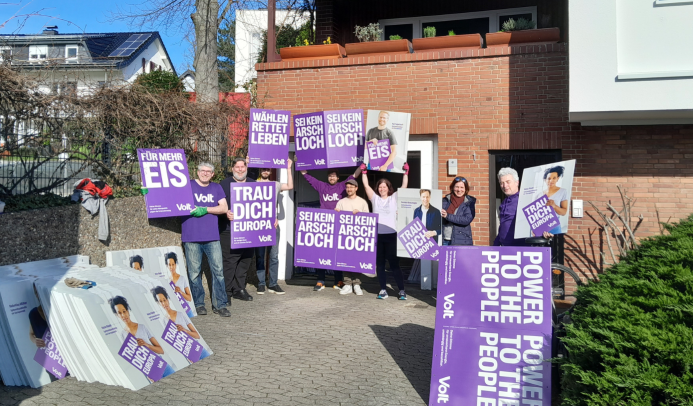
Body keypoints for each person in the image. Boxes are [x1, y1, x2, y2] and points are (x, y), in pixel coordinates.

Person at [300, 166, 363, 291]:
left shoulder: (342, 186)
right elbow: (307, 176)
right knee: (322, 253)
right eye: (330, 176)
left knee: (338, 254)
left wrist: (362, 166)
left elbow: (354, 175)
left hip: (339, 225)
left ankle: (338, 281)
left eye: (334, 176)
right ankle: (320, 281)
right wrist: (300, 164)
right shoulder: (321, 186)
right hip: (324, 225)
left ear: (338, 178)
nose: (332, 177)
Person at [180, 162, 230, 317]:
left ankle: (220, 304)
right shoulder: (186, 186)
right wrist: (147, 191)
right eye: (203, 170)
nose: (205, 173)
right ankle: (198, 304)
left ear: (213, 174)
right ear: (197, 171)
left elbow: (224, 208)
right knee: (194, 273)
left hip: (212, 237)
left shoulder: (216, 188)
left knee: (219, 272)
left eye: (209, 171)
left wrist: (205, 209)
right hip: (191, 236)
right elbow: (168, 197)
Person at [360, 163, 409, 300]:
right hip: (378, 237)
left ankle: (401, 291)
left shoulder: (393, 199)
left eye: (384, 186)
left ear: (388, 188)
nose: (382, 188)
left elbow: (404, 187)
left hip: (392, 236)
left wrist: (405, 173)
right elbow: (366, 186)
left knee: (394, 265)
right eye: (380, 186)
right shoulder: (374, 199)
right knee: (380, 265)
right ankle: (383, 290)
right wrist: (364, 173)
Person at [109, 295, 175, 378]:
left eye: (124, 311)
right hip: (148, 370)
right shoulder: (123, 335)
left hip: (160, 363)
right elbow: (133, 358)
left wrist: (147, 345)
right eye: (119, 313)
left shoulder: (142, 327)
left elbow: (161, 350)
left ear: (128, 311)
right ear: (117, 315)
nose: (123, 315)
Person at [254, 159, 294, 295]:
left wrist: (288, 168)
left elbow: (290, 186)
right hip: (258, 225)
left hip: (273, 224)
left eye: (268, 170)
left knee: (274, 255)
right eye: (263, 169)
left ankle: (273, 284)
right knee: (260, 255)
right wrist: (248, 164)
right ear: (260, 171)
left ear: (271, 172)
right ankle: (260, 283)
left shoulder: (275, 184)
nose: (265, 171)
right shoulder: (253, 184)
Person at [219, 157, 256, 302]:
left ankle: (239, 289)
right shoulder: (224, 184)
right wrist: (225, 212)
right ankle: (226, 293)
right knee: (230, 262)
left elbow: (264, 204)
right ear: (233, 169)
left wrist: (272, 218)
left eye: (243, 166)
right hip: (229, 230)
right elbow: (218, 205)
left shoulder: (254, 184)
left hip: (250, 230)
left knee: (245, 260)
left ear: (246, 168)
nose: (240, 169)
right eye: (237, 167)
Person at [151, 287, 211, 360]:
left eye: (164, 300)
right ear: (158, 303)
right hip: (187, 354)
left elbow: (197, 335)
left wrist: (184, 330)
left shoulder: (180, 314)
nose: (164, 303)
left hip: (197, 348)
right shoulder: (164, 321)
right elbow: (174, 342)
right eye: (160, 301)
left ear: (168, 300)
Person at [335, 178, 370, 296]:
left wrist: (360, 213)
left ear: (356, 188)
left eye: (351, 187)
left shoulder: (362, 202)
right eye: (347, 187)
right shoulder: (341, 202)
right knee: (345, 259)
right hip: (344, 236)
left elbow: (368, 219)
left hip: (358, 236)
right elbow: (336, 219)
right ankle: (347, 284)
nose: (349, 189)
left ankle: (357, 284)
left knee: (357, 260)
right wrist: (336, 212)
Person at [493, 168, 527, 246]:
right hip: (504, 248)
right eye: (502, 183)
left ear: (517, 182)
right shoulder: (504, 202)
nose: (505, 186)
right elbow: (502, 227)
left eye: (508, 182)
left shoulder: (524, 200)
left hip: (519, 249)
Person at [441, 177, 477, 246]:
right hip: (444, 240)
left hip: (461, 241)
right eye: (457, 187)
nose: (459, 190)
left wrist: (447, 216)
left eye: (462, 187)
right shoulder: (444, 200)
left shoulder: (469, 202)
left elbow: (466, 219)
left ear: (465, 189)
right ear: (452, 187)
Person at [539, 165, 568, 234]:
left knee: (555, 244)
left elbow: (564, 212)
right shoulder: (539, 195)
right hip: (540, 226)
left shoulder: (563, 191)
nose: (551, 181)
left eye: (554, 178)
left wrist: (554, 206)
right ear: (545, 180)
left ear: (557, 178)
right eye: (549, 178)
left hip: (554, 226)